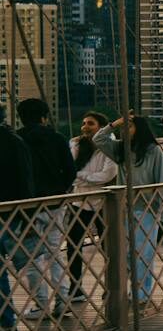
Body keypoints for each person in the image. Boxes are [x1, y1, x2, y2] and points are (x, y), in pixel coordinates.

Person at [93, 113, 163, 306]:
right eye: (123, 128)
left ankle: (141, 294)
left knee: (142, 253)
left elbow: (162, 181)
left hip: (146, 208)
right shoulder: (121, 149)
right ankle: (134, 290)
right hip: (124, 208)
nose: (124, 130)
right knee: (126, 254)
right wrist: (114, 123)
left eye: (128, 127)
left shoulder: (153, 151)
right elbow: (98, 139)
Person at [16, 99, 73, 320]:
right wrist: (60, 191)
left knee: (32, 257)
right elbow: (70, 170)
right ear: (44, 116)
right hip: (54, 204)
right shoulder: (58, 138)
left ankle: (40, 305)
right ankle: (63, 302)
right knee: (55, 253)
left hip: (26, 206)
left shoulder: (16, 139)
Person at [65, 112, 115, 303]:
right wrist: (84, 177)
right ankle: (75, 288)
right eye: (84, 123)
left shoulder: (109, 146)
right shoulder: (76, 144)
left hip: (104, 202)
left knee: (108, 247)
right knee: (73, 245)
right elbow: (70, 171)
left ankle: (112, 287)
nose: (85, 127)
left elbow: (108, 175)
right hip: (79, 201)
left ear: (101, 127)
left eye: (91, 124)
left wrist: (81, 177)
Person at [0, 108, 36, 331]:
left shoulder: (12, 141)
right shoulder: (14, 141)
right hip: (10, 212)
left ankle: (6, 322)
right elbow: (25, 179)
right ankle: (6, 323)